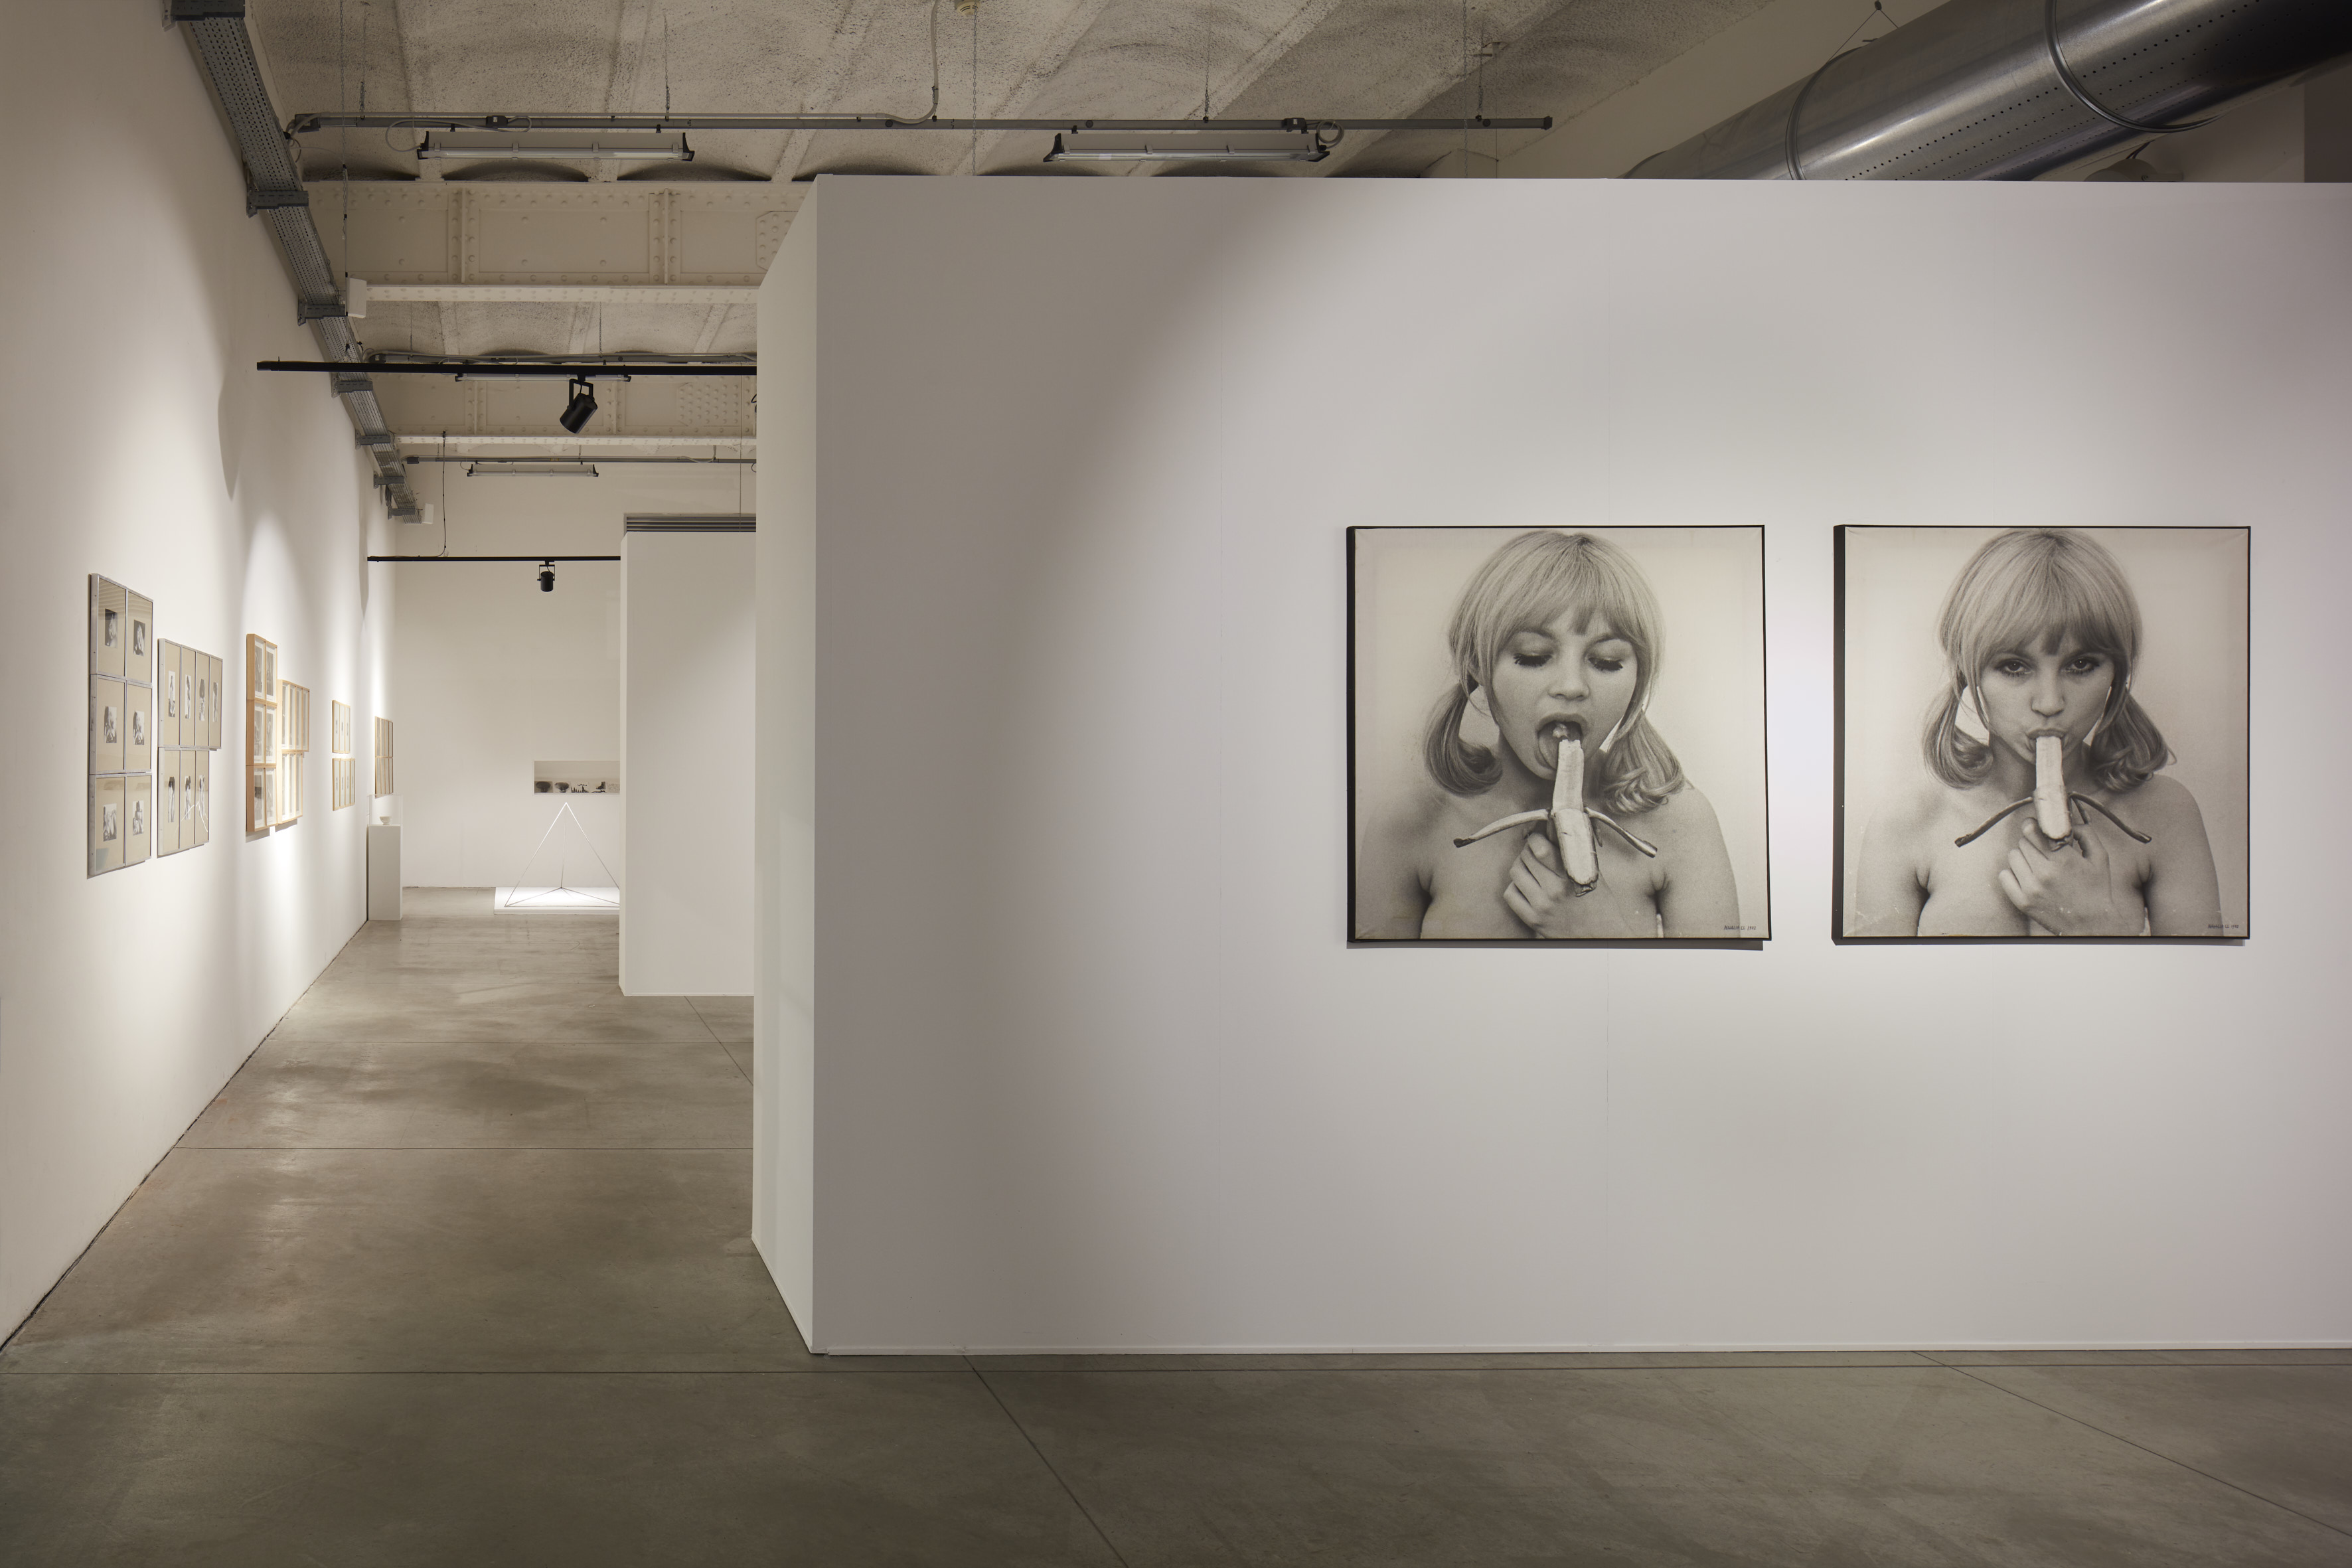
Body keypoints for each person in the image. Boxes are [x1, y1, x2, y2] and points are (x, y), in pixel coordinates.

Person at [1356, 530, 1739, 939]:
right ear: (1477, 666)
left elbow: (1718, 979)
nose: (1572, 686)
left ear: (1638, 680)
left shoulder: (1684, 824)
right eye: (1533, 656)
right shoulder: (1408, 824)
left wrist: (1599, 931)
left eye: (1606, 661)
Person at [1852, 527, 2221, 937]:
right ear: (1968, 673)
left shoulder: (2165, 814)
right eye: (2014, 666)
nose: (2049, 703)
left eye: (2081, 665)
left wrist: (2097, 925)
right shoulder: (1905, 824)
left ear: (2117, 673)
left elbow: (2203, 978)